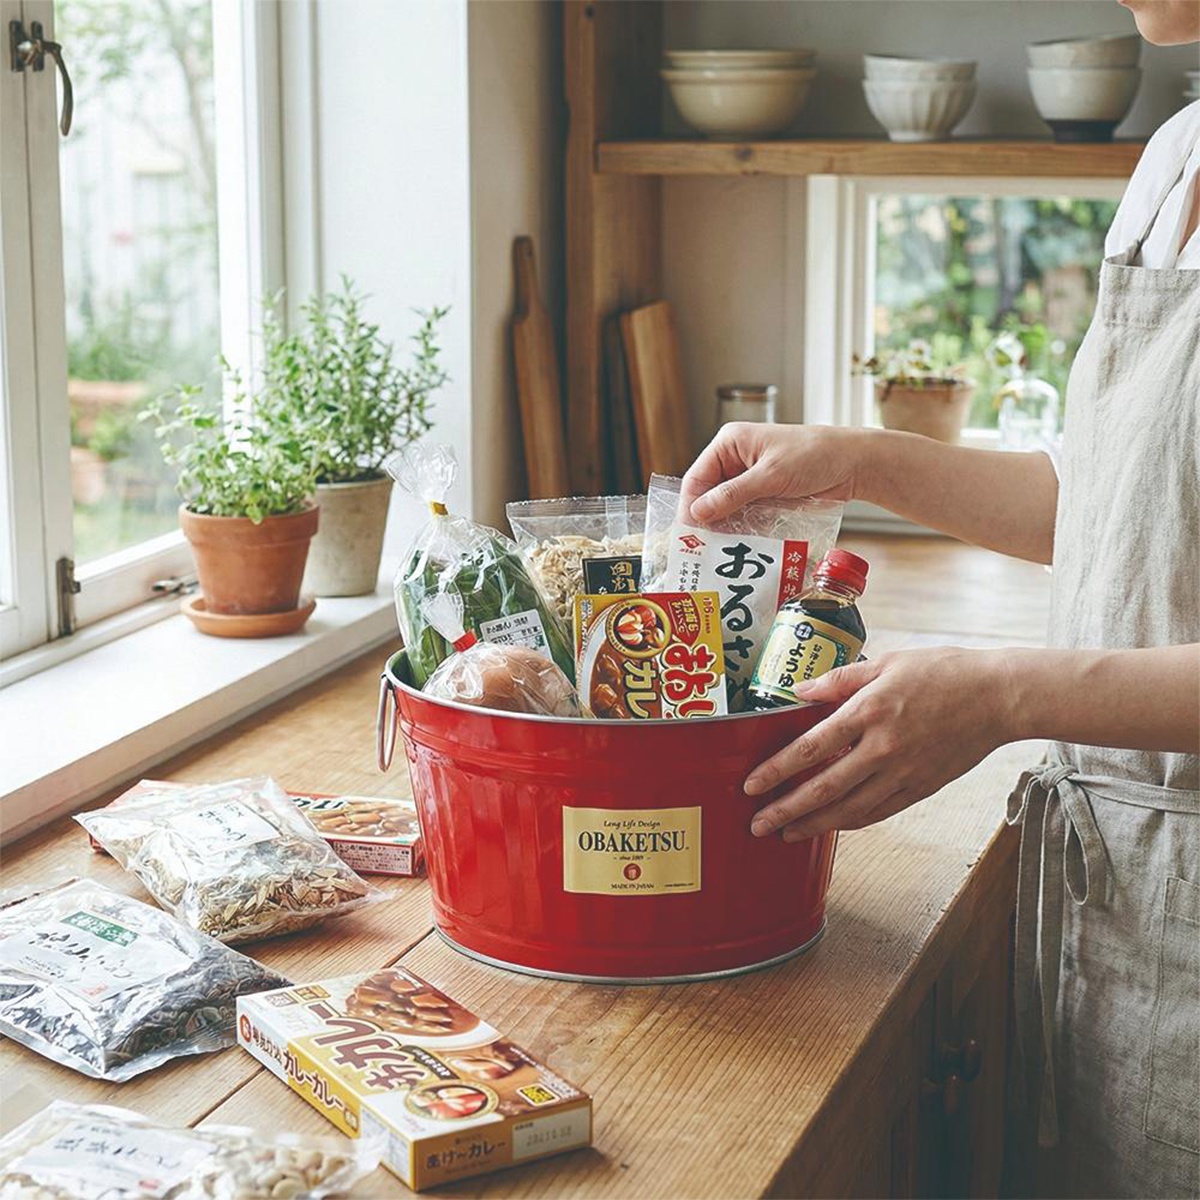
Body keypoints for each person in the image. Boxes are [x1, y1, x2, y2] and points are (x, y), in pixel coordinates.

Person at [680, 4, 1199, 1195]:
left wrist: (1004, 688)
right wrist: (855, 460)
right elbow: (1114, 504)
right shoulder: (1176, 156)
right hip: (1125, 913)